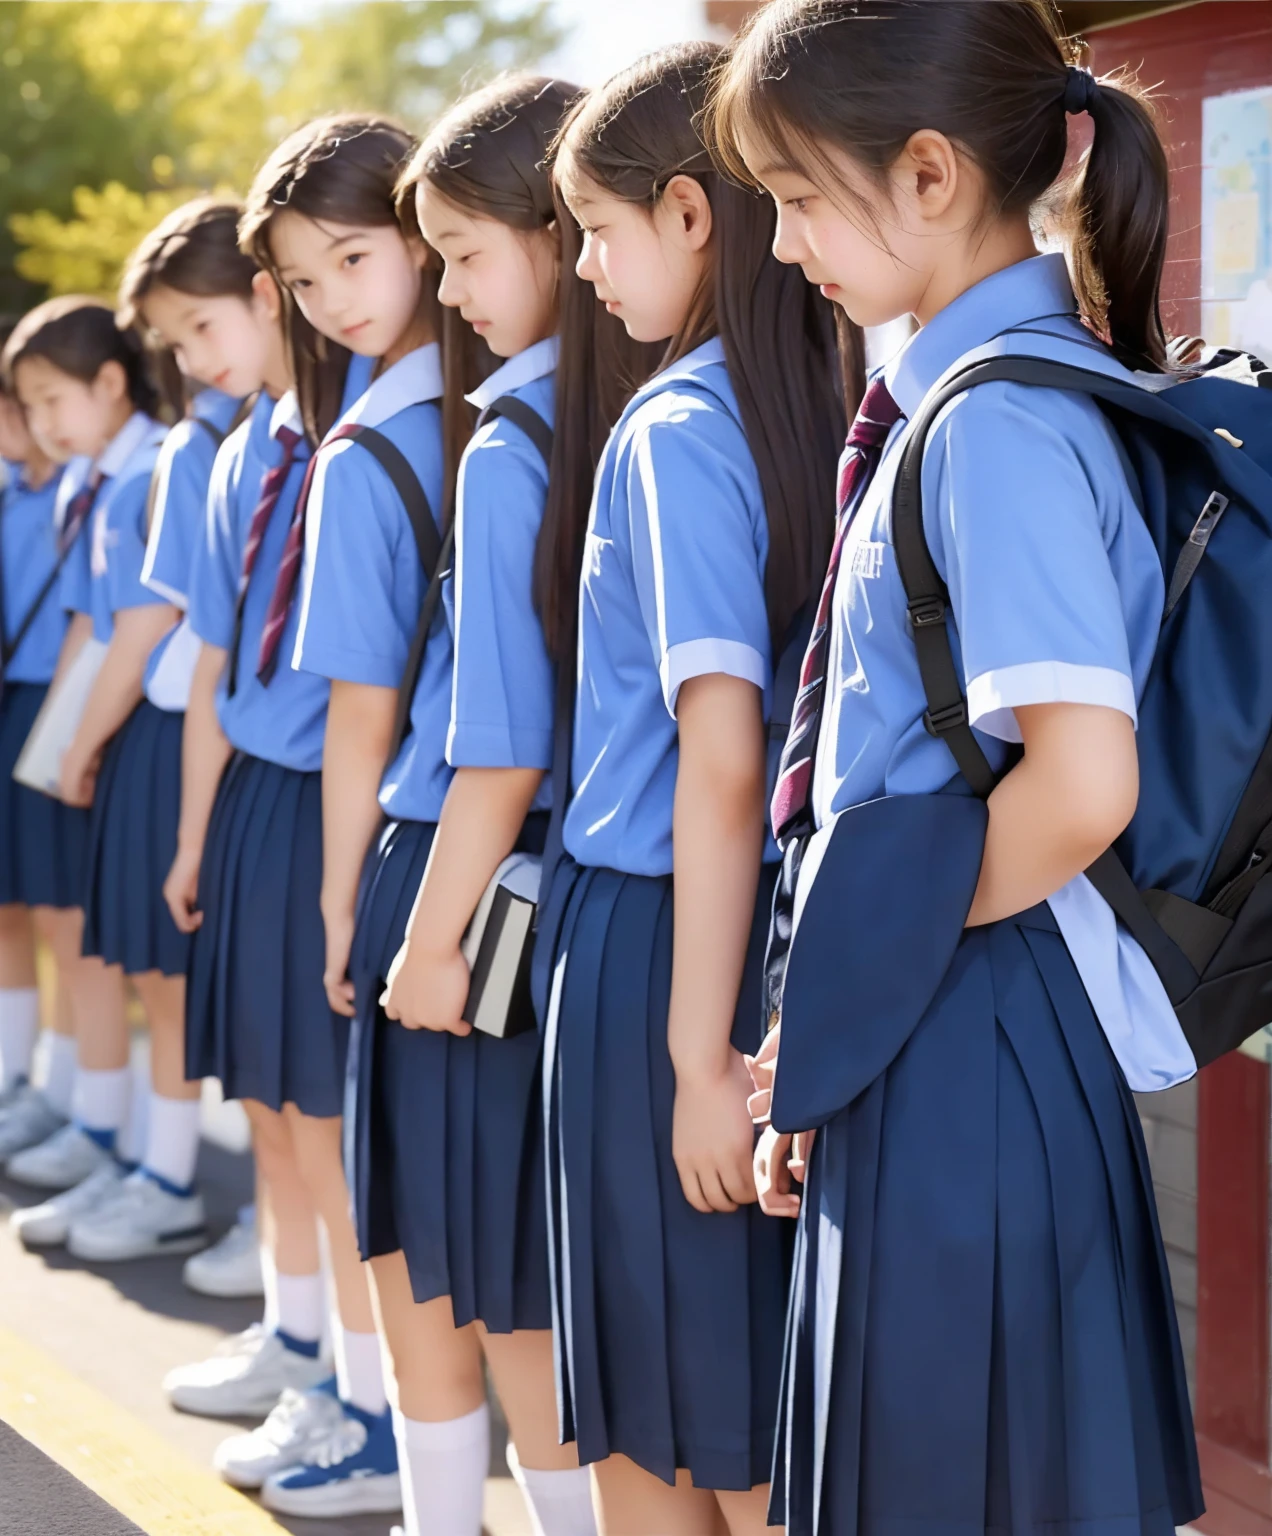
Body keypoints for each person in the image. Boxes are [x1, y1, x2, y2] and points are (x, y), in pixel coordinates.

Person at [708, 2, 1204, 1531]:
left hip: (974, 1028)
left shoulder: (994, 426)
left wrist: (860, 982)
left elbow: (1080, 785)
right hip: (955, 1012)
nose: (783, 246)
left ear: (929, 174)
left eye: (796, 198)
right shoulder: (989, 394)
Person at [536, 41, 852, 1536]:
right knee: (750, 1397)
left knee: (657, 1419)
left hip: (662, 950)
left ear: (688, 213)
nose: (585, 270)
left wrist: (688, 1063)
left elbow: (719, 765)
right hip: (774, 940)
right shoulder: (830, 394)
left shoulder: (674, 427)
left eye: (597, 229)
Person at [323, 74, 593, 1536]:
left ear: (563, 233)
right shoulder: (692, 398)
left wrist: (417, 943)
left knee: (445, 1260)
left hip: (466, 879)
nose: (447, 287)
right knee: (519, 1267)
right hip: (576, 890)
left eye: (467, 252)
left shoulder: (513, 439)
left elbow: (492, 746)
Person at [178, 114, 429, 1522]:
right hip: (283, 797)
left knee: (335, 1127)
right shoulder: (277, 442)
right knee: (280, 1105)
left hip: (364, 809)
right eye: (303, 275)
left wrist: (344, 888)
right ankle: (313, 1359)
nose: (331, 297)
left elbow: (367, 701)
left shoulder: (412, 426)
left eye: (355, 258)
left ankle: (374, 1405)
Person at [157, 233, 336, 1434]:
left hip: (335, 800)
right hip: (253, 796)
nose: (192, 359)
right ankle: (294, 1333)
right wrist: (189, 837)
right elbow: (215, 659)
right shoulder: (242, 456)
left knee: (322, 1120)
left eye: (204, 328)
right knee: (268, 1103)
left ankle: (354, 1386)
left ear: (267, 300)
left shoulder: (366, 443)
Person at [51, 201, 252, 1264]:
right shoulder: (205, 444)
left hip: (206, 744)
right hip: (186, 736)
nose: (191, 357)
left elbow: (142, 631)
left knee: (194, 992)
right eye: (176, 339)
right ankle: (163, 1170)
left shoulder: (217, 448)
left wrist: (79, 746)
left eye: (199, 327)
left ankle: (195, 1186)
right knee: (163, 981)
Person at [1, 299, 156, 1243]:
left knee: (80, 930)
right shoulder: (77, 485)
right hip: (54, 713)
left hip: (85, 716)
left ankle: (102, 1123)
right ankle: (64, 1102)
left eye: (49, 400)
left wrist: (71, 743)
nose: (41, 423)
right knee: (36, 914)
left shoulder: (133, 477)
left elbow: (108, 630)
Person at [0, 324, 81, 1167]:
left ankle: (65, 1096)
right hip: (13, 701)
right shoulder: (10, 493)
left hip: (59, 707)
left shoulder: (83, 492)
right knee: (10, 911)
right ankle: (15, 1080)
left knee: (63, 917)